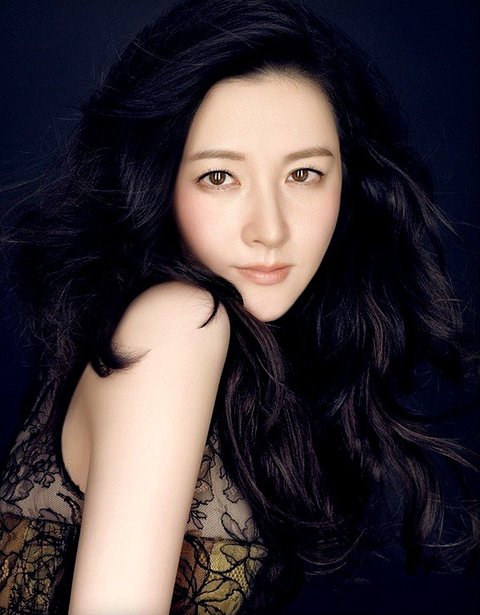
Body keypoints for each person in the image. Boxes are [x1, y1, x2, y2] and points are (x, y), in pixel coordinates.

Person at [0, 0, 478, 613]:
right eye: (220, 177)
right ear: (156, 180)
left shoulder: (221, 347)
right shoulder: (178, 324)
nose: (270, 230)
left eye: (304, 174)